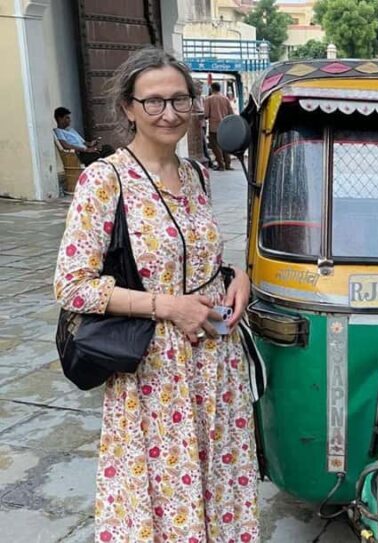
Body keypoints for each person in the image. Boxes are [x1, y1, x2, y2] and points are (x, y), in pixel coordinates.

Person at [53, 48, 259, 542]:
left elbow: (197, 255)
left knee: (220, 489)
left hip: (216, 364)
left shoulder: (198, 175)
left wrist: (236, 280)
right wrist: (168, 305)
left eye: (179, 100)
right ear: (128, 108)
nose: (169, 113)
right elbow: (71, 285)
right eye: (154, 102)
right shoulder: (105, 180)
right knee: (165, 497)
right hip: (156, 372)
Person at [204, 82, 234, 170]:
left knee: (216, 146)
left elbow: (206, 114)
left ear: (212, 89)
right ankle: (228, 164)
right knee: (225, 145)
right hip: (225, 126)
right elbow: (231, 113)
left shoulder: (209, 99)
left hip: (214, 126)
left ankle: (221, 165)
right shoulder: (225, 99)